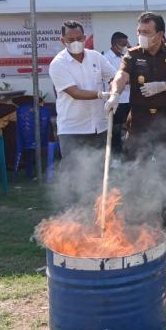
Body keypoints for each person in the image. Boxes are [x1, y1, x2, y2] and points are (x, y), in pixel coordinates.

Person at [107, 12, 166, 228]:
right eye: (139, 32)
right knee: (134, 169)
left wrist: (163, 85)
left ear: (160, 34)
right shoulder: (133, 54)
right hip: (140, 122)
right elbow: (121, 75)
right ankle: (134, 214)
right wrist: (115, 93)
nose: (141, 36)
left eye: (146, 32)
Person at [48, 20, 118, 203]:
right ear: (62, 40)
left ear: (85, 37)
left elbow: (114, 76)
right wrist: (101, 95)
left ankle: (99, 213)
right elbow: (74, 92)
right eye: (70, 40)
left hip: (99, 127)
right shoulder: (58, 64)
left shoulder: (95, 57)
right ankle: (74, 215)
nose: (76, 42)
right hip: (73, 129)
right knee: (75, 177)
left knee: (100, 175)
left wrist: (114, 91)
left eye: (79, 38)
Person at [102, 31, 131, 155]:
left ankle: (128, 153)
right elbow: (113, 80)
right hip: (116, 100)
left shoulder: (125, 58)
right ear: (115, 44)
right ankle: (115, 156)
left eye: (126, 44)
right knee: (115, 130)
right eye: (123, 44)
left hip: (128, 98)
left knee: (129, 126)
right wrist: (127, 80)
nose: (126, 46)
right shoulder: (106, 59)